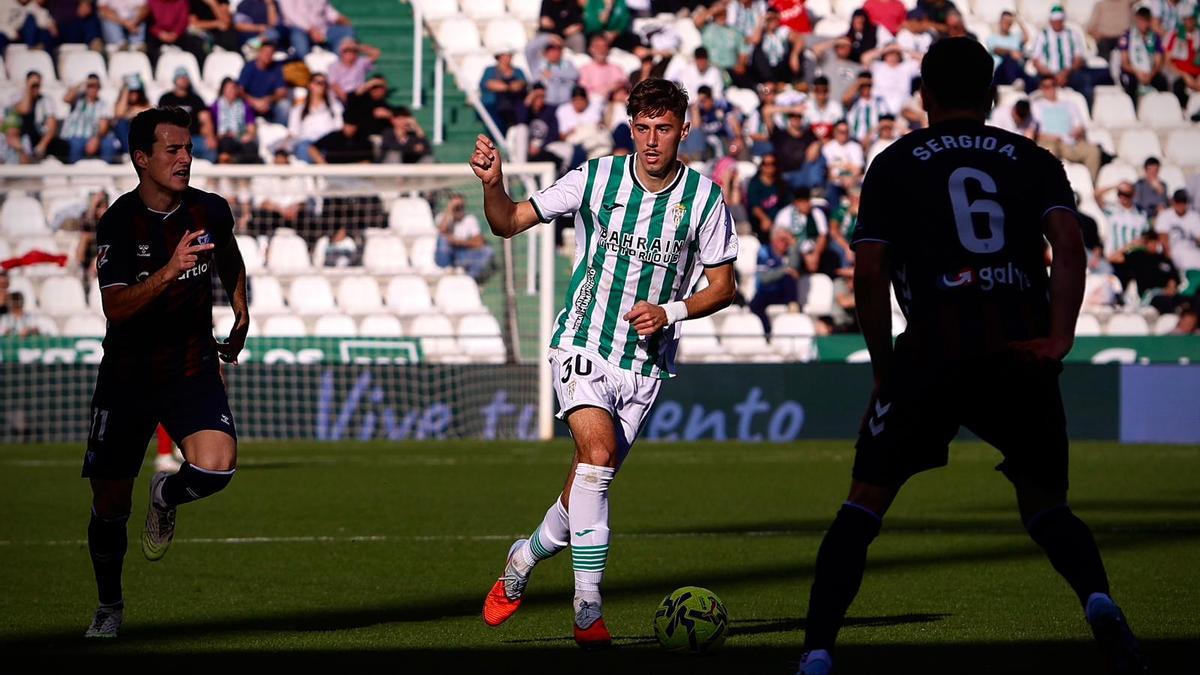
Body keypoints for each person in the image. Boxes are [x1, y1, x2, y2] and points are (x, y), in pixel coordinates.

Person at [794, 38, 1146, 675]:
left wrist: (884, 368)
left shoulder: (894, 162)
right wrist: (1060, 338)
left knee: (863, 504)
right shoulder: (1033, 158)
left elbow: (869, 272)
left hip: (932, 351)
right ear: (990, 94)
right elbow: (1070, 247)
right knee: (1046, 507)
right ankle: (1098, 599)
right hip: (1019, 351)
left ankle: (817, 653)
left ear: (924, 94)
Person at [471, 77, 737, 648]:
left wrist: (670, 312)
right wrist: (493, 185)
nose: (651, 140)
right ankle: (587, 608)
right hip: (583, 342)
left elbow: (723, 287)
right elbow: (508, 221)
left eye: (663, 128)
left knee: (587, 485)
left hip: (644, 366)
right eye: (641, 128)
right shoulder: (596, 178)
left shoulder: (705, 199)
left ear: (684, 131)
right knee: (597, 456)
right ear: (630, 128)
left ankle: (523, 557)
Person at [81, 105, 248, 639]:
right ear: (141, 158)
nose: (184, 158)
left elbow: (230, 258)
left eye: (188, 149)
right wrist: (169, 271)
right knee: (109, 502)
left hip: (190, 363)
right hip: (128, 373)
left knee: (218, 468)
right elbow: (115, 306)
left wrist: (241, 313)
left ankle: (165, 495)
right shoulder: (119, 222)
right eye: (172, 150)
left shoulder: (210, 209)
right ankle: (109, 606)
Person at [1031, 76, 1102, 180]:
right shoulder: (1035, 106)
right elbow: (1032, 131)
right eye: (1046, 86)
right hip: (1049, 142)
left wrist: (1077, 132)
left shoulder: (1070, 104)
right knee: (1049, 152)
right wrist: (1048, 137)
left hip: (1070, 143)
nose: (1050, 89)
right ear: (1041, 88)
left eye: (1052, 85)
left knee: (1093, 151)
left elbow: (1079, 126)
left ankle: (1091, 184)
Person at [1029, 5, 1093, 104]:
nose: (1057, 23)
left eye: (1059, 21)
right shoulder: (1042, 35)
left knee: (1085, 82)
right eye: (1055, 21)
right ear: (1050, 21)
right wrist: (1052, 76)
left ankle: (1087, 110)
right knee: (1030, 84)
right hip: (1047, 74)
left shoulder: (1073, 34)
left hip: (1069, 73)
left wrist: (1065, 73)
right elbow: (1036, 61)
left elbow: (1078, 58)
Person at [157, 68, 216, 162]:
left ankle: (206, 172)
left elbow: (205, 120)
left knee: (210, 150)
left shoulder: (196, 99)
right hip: (171, 138)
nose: (183, 80)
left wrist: (210, 137)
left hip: (193, 138)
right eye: (180, 78)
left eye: (185, 77)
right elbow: (160, 120)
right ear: (175, 80)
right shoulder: (166, 99)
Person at [749, 226, 801, 335]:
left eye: (787, 240)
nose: (785, 243)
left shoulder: (790, 253)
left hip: (784, 293)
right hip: (767, 291)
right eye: (782, 239)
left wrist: (793, 246)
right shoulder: (764, 251)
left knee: (789, 279)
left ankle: (793, 307)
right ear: (773, 239)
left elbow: (793, 267)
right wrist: (784, 270)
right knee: (754, 305)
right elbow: (764, 278)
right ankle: (767, 332)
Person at [434, 194, 495, 282]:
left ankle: (469, 279)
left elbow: (479, 242)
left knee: (487, 251)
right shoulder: (442, 217)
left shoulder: (469, 219)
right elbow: (442, 232)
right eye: (456, 207)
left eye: (461, 206)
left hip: (462, 253)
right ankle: (446, 270)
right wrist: (450, 210)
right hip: (447, 255)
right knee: (443, 240)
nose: (459, 209)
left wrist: (458, 242)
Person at [288, 73, 342, 164]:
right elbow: (293, 132)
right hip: (305, 144)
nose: (322, 86)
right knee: (304, 147)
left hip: (326, 144)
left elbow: (339, 128)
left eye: (324, 83)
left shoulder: (335, 106)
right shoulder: (299, 109)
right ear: (310, 85)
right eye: (318, 83)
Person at [61, 74, 115, 164]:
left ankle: (106, 171)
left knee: (109, 144)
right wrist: (83, 83)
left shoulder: (103, 104)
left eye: (95, 86)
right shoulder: (77, 100)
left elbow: (104, 125)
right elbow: (66, 98)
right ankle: (73, 171)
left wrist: (96, 139)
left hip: (94, 137)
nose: (93, 89)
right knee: (76, 144)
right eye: (90, 86)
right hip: (74, 136)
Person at [1119, 6, 1169, 103]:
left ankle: (1162, 107)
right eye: (1140, 20)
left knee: (1162, 82)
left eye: (1146, 20)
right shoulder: (1128, 36)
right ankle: (1133, 109)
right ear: (1136, 20)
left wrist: (1150, 74)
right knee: (1130, 84)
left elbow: (1158, 62)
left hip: (1150, 72)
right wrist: (1138, 73)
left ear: (1149, 21)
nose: (1143, 24)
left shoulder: (1155, 37)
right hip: (1132, 71)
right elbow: (1124, 63)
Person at [773, 186, 827, 274]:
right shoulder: (785, 214)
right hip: (794, 251)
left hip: (813, 250)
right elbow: (779, 235)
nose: (808, 205)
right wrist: (803, 255)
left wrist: (816, 254)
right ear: (796, 203)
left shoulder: (816, 213)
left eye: (808, 201)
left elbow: (823, 236)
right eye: (804, 202)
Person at [1097, 181, 1153, 265]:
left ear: (1133, 195)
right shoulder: (1112, 210)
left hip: (1135, 256)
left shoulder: (1141, 215)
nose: (1123, 197)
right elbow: (1097, 194)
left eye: (1127, 194)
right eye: (1120, 194)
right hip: (1115, 258)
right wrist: (1115, 186)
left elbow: (1145, 238)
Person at [237, 38, 290, 125]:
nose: (267, 55)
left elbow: (281, 92)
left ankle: (279, 128)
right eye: (265, 52)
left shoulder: (276, 69)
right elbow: (239, 90)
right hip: (250, 104)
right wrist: (253, 101)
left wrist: (268, 100)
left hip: (268, 105)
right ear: (259, 52)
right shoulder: (249, 67)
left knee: (285, 105)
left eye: (270, 53)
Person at [276, 0, 354, 59]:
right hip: (298, 28)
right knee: (301, 45)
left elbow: (327, 10)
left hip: (323, 29)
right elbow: (291, 14)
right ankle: (304, 67)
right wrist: (311, 29)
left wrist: (338, 18)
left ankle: (338, 66)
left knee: (347, 31)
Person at [1156, 189, 1200, 284]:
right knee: (1187, 261)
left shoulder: (1194, 216)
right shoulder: (1166, 215)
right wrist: (1168, 254)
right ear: (1173, 201)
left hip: (1191, 249)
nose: (1181, 205)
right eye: (1178, 201)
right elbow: (1163, 238)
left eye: (1183, 202)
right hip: (1174, 250)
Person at [747, 152, 792, 244]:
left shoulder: (781, 183)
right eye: (766, 164)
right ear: (761, 166)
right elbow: (755, 208)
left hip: (780, 221)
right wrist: (765, 219)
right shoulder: (754, 184)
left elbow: (789, 204)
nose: (770, 167)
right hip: (761, 222)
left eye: (773, 163)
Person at [210, 77, 258, 164]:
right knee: (226, 143)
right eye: (228, 88)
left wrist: (249, 135)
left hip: (240, 137)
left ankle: (235, 161)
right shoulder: (215, 106)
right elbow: (210, 127)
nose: (231, 91)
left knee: (251, 148)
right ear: (223, 90)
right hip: (223, 138)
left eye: (233, 88)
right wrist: (220, 136)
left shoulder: (244, 105)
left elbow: (251, 126)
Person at [480, 50, 529, 135]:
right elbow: (488, 84)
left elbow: (521, 84)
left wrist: (506, 86)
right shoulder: (490, 70)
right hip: (493, 105)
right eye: (504, 56)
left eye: (509, 55)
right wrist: (508, 87)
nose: (507, 58)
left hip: (513, 106)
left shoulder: (518, 71)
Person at [146, 0, 206, 68]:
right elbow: (150, 23)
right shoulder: (152, 2)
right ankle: (153, 70)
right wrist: (160, 34)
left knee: (196, 45)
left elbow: (183, 20)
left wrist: (175, 33)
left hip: (178, 34)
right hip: (159, 35)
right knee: (150, 48)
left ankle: (199, 69)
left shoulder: (182, 2)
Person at [328, 36, 380, 104]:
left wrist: (357, 46)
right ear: (341, 53)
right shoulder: (334, 66)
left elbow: (376, 53)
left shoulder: (361, 62)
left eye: (353, 51)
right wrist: (347, 101)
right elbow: (334, 85)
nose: (350, 53)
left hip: (359, 96)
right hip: (341, 98)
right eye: (346, 51)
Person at [1165, 8, 1200, 108]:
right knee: (1178, 87)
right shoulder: (1175, 36)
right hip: (1181, 75)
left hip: (1197, 75)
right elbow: (1168, 61)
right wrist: (1184, 75)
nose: (1189, 22)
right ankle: (1183, 110)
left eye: (1191, 19)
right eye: (1186, 19)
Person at [987, 11, 1027, 86]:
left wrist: (1019, 22)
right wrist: (1011, 52)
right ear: (1000, 21)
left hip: (1016, 69)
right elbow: (997, 50)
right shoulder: (992, 38)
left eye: (1009, 22)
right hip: (999, 72)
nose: (1007, 24)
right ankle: (1014, 81)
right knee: (1008, 58)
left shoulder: (1015, 37)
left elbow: (1026, 38)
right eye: (1005, 21)